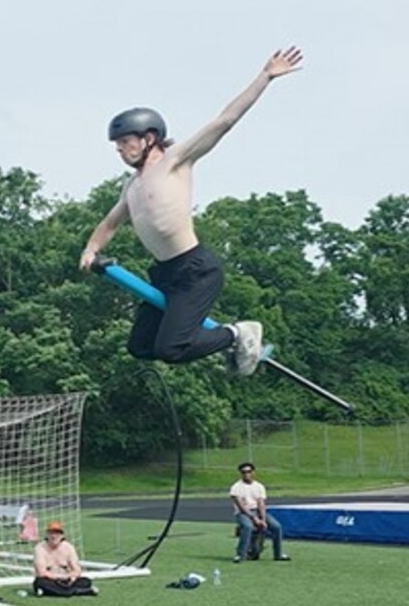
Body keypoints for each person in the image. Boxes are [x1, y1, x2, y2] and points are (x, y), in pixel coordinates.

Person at [79, 48, 303, 374]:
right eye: (117, 144)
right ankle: (225, 341)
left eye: (125, 141)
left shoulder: (176, 161)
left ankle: (237, 333)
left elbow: (224, 121)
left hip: (194, 271)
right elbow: (109, 224)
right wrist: (91, 248)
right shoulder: (132, 186)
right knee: (140, 346)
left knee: (172, 348)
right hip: (164, 275)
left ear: (149, 138)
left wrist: (265, 77)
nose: (119, 149)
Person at [229, 462, 290, 564]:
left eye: (249, 472)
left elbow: (261, 504)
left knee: (276, 527)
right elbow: (241, 507)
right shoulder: (236, 488)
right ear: (240, 474)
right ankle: (241, 555)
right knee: (248, 527)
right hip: (243, 513)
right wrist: (254, 518)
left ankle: (278, 554)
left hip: (257, 511)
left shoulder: (259, 486)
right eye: (244, 472)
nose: (246, 474)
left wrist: (263, 519)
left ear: (253, 472)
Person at [32, 521, 98, 597]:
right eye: (51, 533)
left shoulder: (68, 548)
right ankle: (79, 591)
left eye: (57, 533)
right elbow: (41, 572)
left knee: (86, 581)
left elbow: (77, 570)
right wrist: (59, 577)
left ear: (62, 535)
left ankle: (55, 592)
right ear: (47, 534)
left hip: (67, 581)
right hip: (50, 580)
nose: (54, 536)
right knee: (40, 582)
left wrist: (70, 577)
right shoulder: (40, 548)